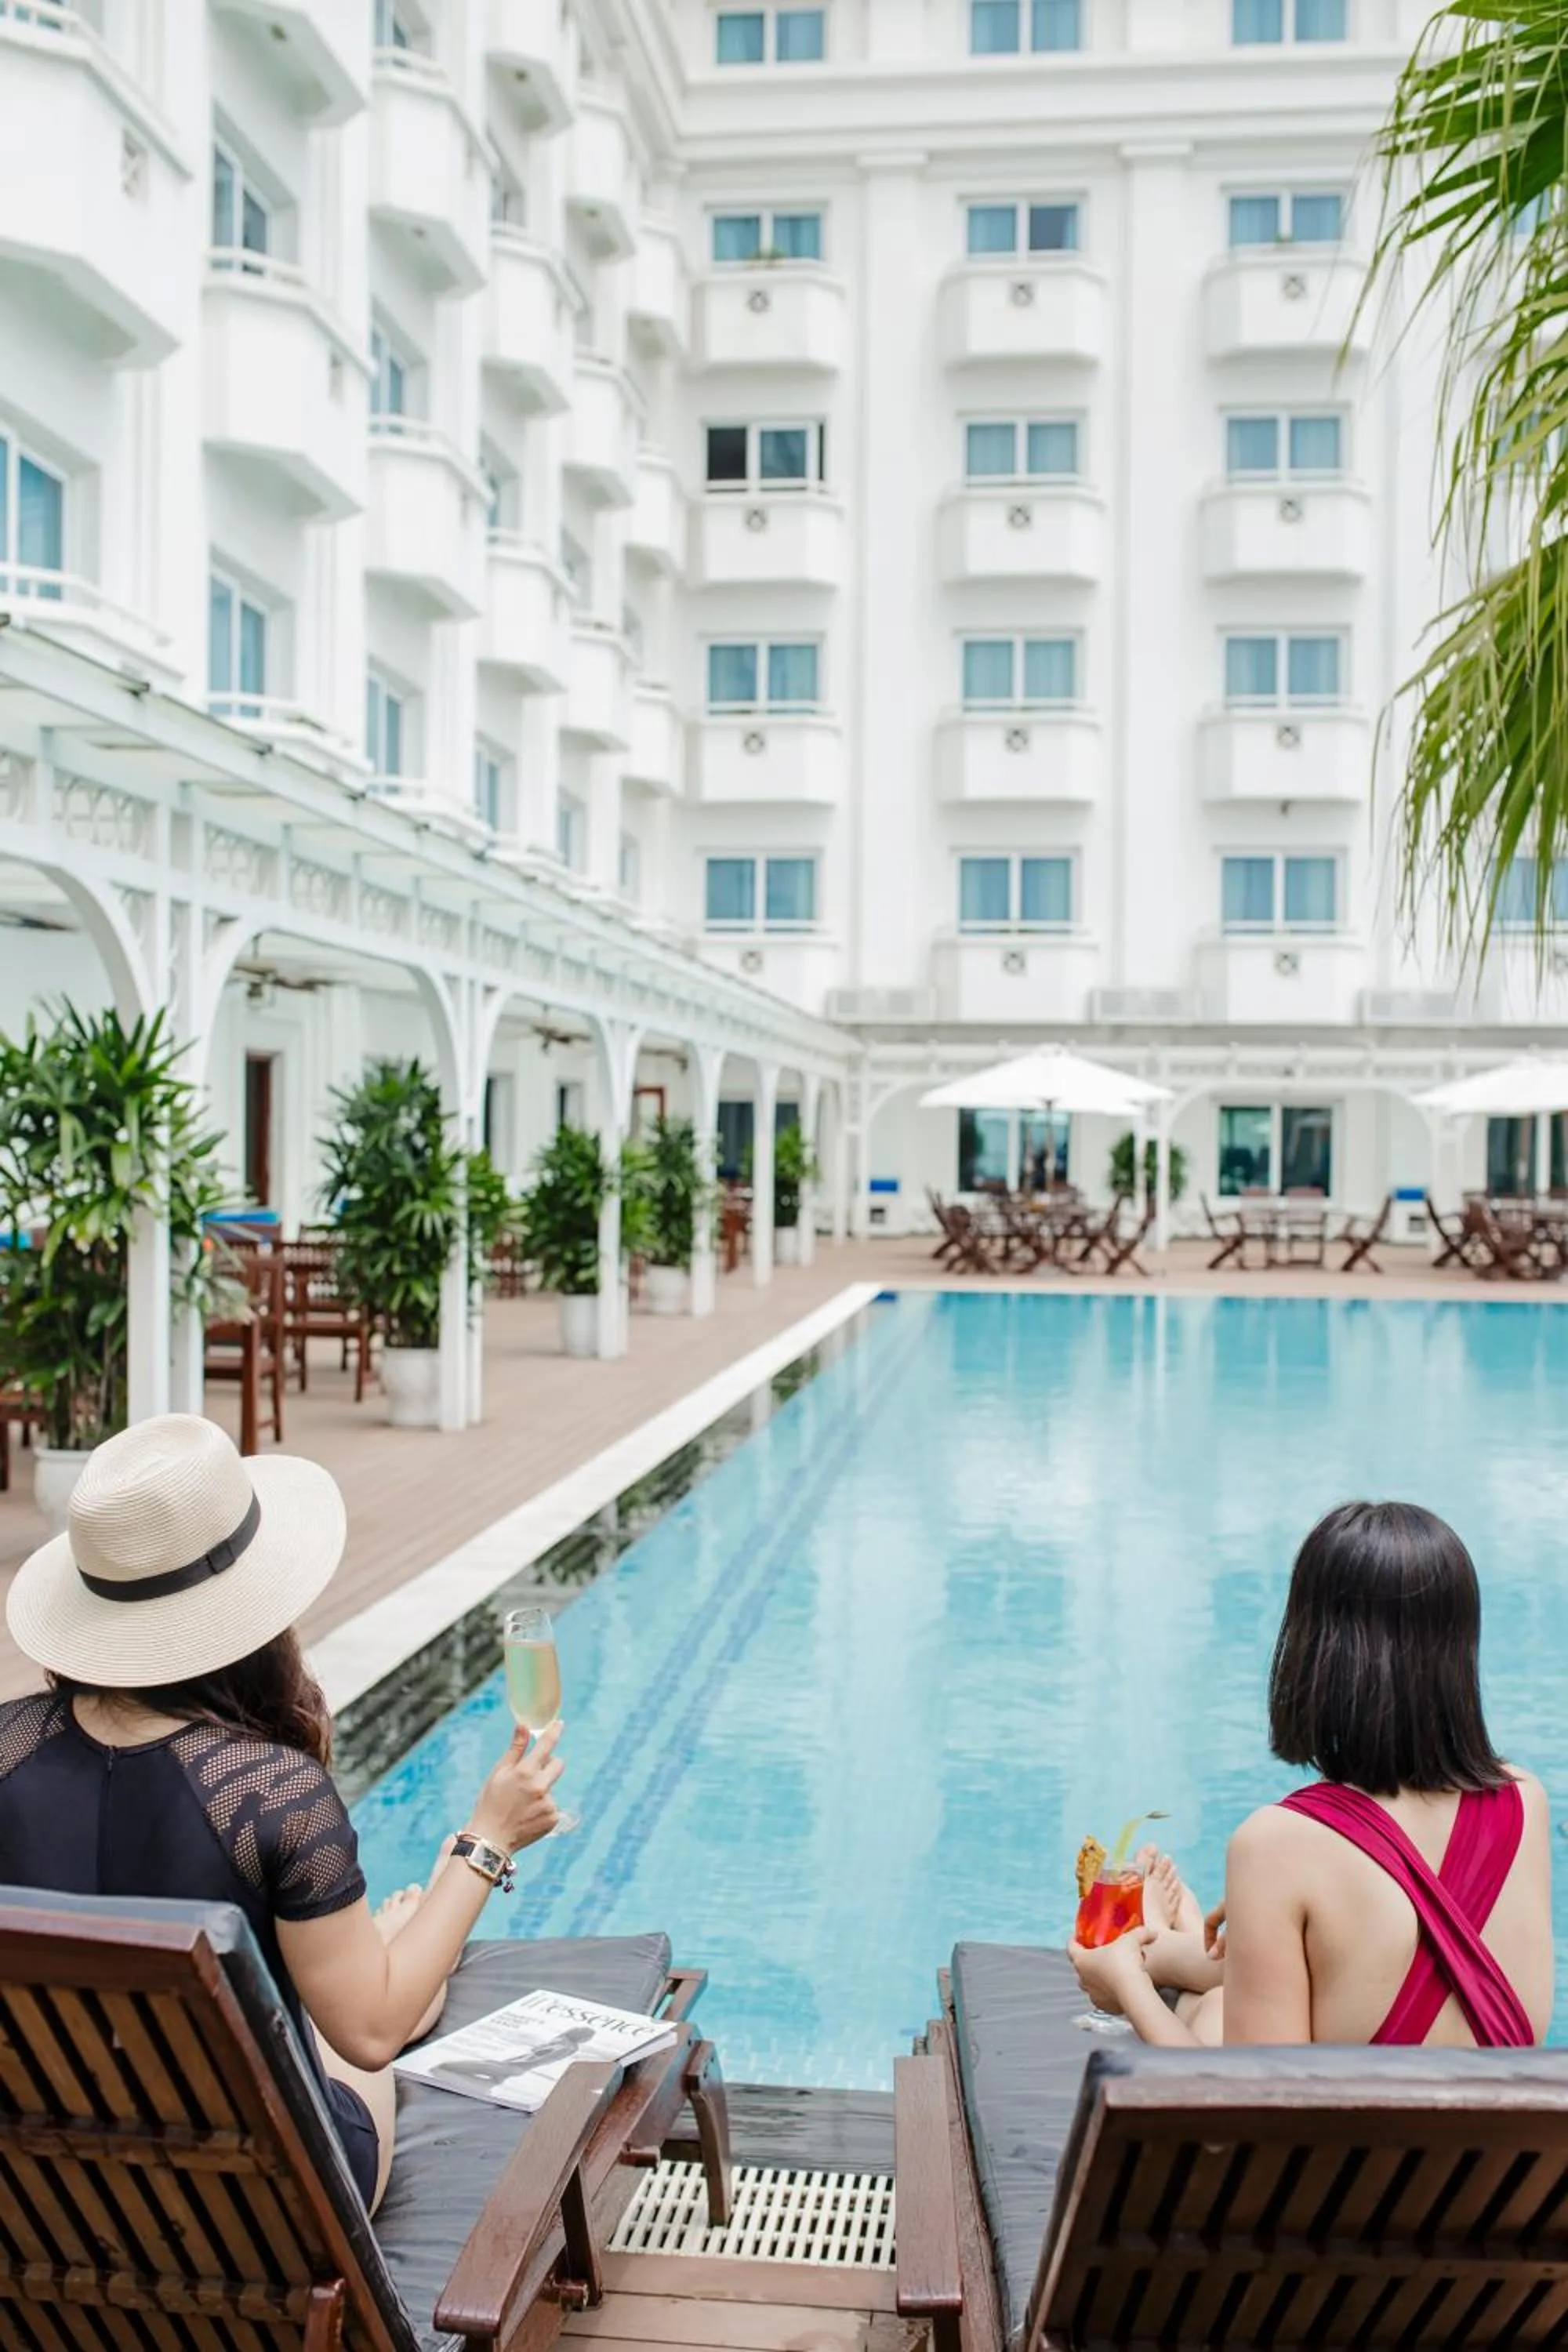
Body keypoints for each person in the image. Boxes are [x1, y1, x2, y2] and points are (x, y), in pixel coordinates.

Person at [0, 1413, 566, 2212]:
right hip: (254, 2219)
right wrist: (487, 1842)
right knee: (369, 2044)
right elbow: (368, 2033)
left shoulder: (7, 1747)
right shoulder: (268, 1795)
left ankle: (391, 1950)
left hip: (46, 2201)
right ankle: (397, 1949)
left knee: (348, 1997)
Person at [1070, 1501, 1554, 2048]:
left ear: (1315, 1651)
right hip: (1498, 2133)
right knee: (1252, 1983)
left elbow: (1240, 2117)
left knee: (1216, 2011)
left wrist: (1127, 1989)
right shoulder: (1523, 1800)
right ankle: (1178, 1946)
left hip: (1346, 2132)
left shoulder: (1278, 1844)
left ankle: (1149, 1954)